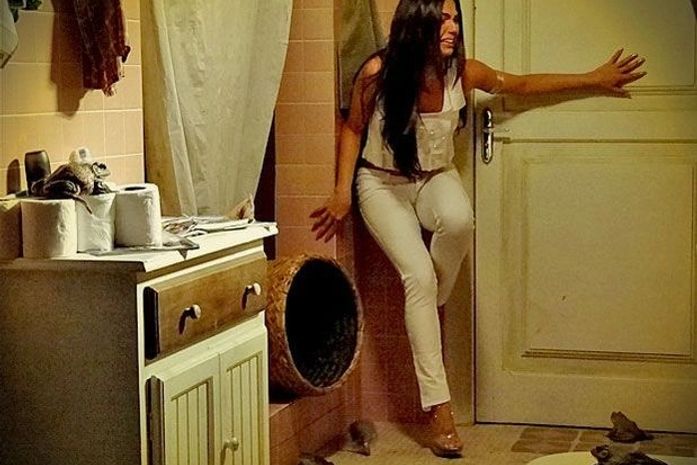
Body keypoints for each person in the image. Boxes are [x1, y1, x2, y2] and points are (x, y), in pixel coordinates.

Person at [310, 0, 646, 458]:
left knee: (459, 222)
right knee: (418, 277)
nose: (452, 28)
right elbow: (353, 128)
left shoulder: (464, 73)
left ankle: (430, 298)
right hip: (381, 184)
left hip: (435, 176)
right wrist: (341, 192)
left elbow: (522, 85)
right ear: (418, 23)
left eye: (455, 19)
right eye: (442, 19)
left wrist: (593, 77)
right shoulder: (378, 73)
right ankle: (440, 410)